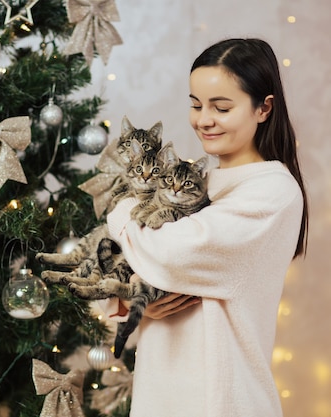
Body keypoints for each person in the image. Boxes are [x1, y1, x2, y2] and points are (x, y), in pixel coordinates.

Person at [103, 38, 308, 417]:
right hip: (161, 398)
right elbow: (123, 264)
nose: (203, 120)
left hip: (221, 402)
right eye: (196, 104)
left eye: (221, 107)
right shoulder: (199, 183)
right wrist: (136, 300)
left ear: (263, 108)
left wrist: (121, 211)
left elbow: (168, 254)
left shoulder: (271, 191)